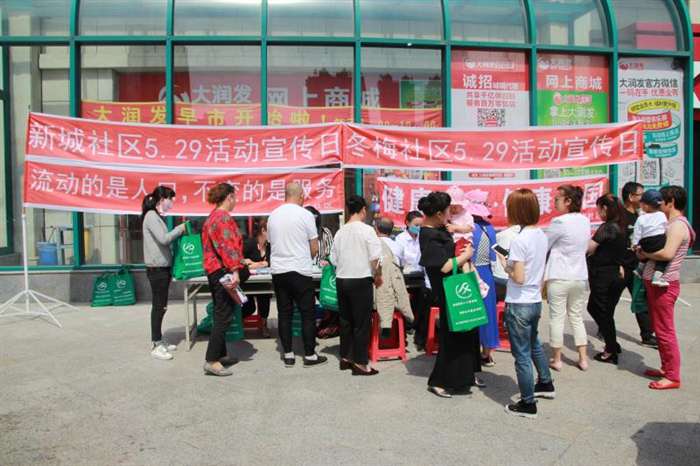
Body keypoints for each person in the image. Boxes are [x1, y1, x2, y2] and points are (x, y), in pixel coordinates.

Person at [497, 189, 554, 418]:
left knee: (521, 354)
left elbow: (518, 277)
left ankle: (527, 403)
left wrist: (506, 265)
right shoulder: (540, 235)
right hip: (534, 301)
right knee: (534, 344)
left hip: (519, 302)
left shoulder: (520, 240)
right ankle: (545, 382)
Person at [418, 191, 481, 398]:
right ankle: (438, 381)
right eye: (447, 211)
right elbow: (444, 266)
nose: (449, 215)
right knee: (451, 336)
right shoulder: (428, 235)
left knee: (466, 331)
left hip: (457, 286)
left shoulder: (440, 228)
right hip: (446, 289)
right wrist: (466, 256)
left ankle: (465, 376)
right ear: (438, 213)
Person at [640, 186, 696, 390]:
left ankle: (672, 376)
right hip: (657, 283)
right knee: (660, 328)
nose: (658, 204)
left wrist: (644, 253)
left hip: (664, 285)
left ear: (671, 202)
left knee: (665, 330)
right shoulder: (672, 223)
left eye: (661, 201)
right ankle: (666, 368)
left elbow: (666, 254)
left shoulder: (678, 226)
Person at [268, 183, 327, 368]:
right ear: (301, 196)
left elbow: (271, 243)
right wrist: (304, 256)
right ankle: (309, 355)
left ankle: (288, 354)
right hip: (300, 270)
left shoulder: (273, 215)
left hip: (279, 271)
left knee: (284, 313)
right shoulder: (305, 215)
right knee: (307, 313)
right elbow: (314, 247)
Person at [331, 195, 383, 376]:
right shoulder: (367, 230)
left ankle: (346, 357)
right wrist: (378, 275)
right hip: (361, 279)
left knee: (345, 320)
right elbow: (375, 258)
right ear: (363, 210)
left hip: (342, 279)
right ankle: (360, 362)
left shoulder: (340, 232)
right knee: (361, 323)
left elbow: (333, 259)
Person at [201, 183, 245, 377]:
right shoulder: (223, 218)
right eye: (235, 197)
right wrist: (235, 270)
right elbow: (227, 246)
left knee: (221, 312)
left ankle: (221, 354)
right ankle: (211, 360)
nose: (236, 201)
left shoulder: (212, 217)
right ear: (229, 197)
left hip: (214, 270)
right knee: (223, 315)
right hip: (223, 271)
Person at [544, 185, 590, 372]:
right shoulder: (585, 220)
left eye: (557, 199)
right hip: (579, 276)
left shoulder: (559, 221)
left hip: (559, 275)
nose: (554, 201)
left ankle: (557, 359)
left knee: (557, 318)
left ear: (568, 201)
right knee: (576, 317)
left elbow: (544, 244)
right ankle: (583, 358)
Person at [142, 186, 187, 361]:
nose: (172, 203)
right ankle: (156, 344)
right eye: (170, 199)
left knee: (162, 306)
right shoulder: (151, 216)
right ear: (162, 199)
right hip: (157, 269)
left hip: (162, 268)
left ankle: (159, 340)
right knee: (158, 306)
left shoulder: (156, 216)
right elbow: (164, 239)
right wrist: (180, 229)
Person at [587, 194, 628, 365]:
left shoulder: (607, 228)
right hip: (616, 274)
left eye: (599, 209)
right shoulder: (621, 226)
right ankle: (612, 344)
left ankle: (610, 350)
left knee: (600, 310)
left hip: (603, 276)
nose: (598, 213)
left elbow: (590, 248)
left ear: (604, 208)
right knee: (604, 311)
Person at [462, 189, 498, 367]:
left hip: (470, 272)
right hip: (487, 274)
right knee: (488, 313)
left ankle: (470, 353)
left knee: (471, 313)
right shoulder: (489, 228)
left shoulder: (467, 229)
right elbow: (497, 250)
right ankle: (487, 353)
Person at [621, 182, 656, 348]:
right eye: (641, 195)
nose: (644, 198)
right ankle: (604, 328)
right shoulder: (620, 217)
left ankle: (647, 335)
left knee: (641, 300)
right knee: (609, 301)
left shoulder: (641, 216)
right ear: (631, 197)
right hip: (621, 267)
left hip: (638, 267)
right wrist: (618, 264)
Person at [395, 210, 431, 349]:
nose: (418, 228)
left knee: (424, 295)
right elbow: (399, 258)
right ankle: (409, 324)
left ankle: (418, 326)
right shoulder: (400, 239)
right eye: (416, 225)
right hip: (405, 275)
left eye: (421, 225)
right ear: (407, 223)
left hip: (420, 274)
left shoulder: (422, 237)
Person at [374, 217, 413, 335]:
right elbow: (402, 264)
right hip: (395, 289)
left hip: (374, 291)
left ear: (376, 229)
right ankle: (401, 331)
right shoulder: (398, 247)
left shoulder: (372, 245)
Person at [631, 190, 669, 287]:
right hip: (659, 241)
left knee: (646, 253)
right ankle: (657, 277)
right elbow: (666, 228)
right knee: (663, 259)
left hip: (645, 242)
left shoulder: (641, 218)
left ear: (645, 206)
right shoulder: (662, 215)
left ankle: (639, 269)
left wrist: (635, 244)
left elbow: (637, 232)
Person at [242, 219, 272, 338]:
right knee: (250, 307)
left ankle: (264, 325)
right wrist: (260, 264)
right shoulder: (250, 243)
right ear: (263, 231)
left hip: (263, 280)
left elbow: (272, 262)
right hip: (248, 282)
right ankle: (237, 322)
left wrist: (255, 264)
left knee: (265, 296)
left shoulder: (270, 246)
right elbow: (240, 260)